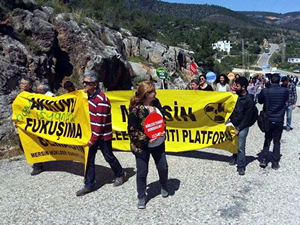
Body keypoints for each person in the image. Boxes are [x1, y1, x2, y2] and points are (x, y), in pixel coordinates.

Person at [76, 70, 125, 196]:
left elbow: (100, 124)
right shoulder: (86, 96)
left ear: (95, 85)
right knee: (89, 159)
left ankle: (120, 173)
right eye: (84, 82)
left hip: (102, 136)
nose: (84, 85)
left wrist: (93, 140)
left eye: (87, 83)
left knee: (108, 156)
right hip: (91, 133)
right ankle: (89, 184)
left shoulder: (101, 100)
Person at [128, 81, 169, 209]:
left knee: (163, 167)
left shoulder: (156, 103)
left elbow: (161, 121)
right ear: (145, 94)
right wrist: (146, 139)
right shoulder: (136, 110)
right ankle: (141, 195)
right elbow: (131, 130)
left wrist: (163, 130)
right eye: (152, 91)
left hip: (158, 143)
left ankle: (164, 184)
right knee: (142, 172)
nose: (155, 93)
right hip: (142, 147)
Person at [258, 73, 289, 170]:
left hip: (268, 118)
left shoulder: (266, 91)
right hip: (279, 119)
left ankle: (263, 159)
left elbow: (260, 101)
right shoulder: (285, 91)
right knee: (277, 141)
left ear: (270, 81)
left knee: (267, 139)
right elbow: (286, 100)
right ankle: (275, 162)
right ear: (279, 81)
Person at [16, 76, 44, 175]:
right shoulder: (20, 96)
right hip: (23, 124)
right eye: (21, 83)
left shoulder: (35, 96)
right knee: (22, 144)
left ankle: (38, 165)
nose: (21, 85)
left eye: (24, 84)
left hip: (34, 124)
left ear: (30, 86)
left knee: (34, 143)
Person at [228, 77, 255, 175]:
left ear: (243, 87)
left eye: (237, 86)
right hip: (233, 123)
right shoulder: (235, 96)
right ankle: (234, 157)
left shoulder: (249, 100)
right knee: (233, 142)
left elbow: (248, 117)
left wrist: (239, 128)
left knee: (240, 146)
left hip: (243, 126)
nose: (235, 87)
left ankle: (241, 166)